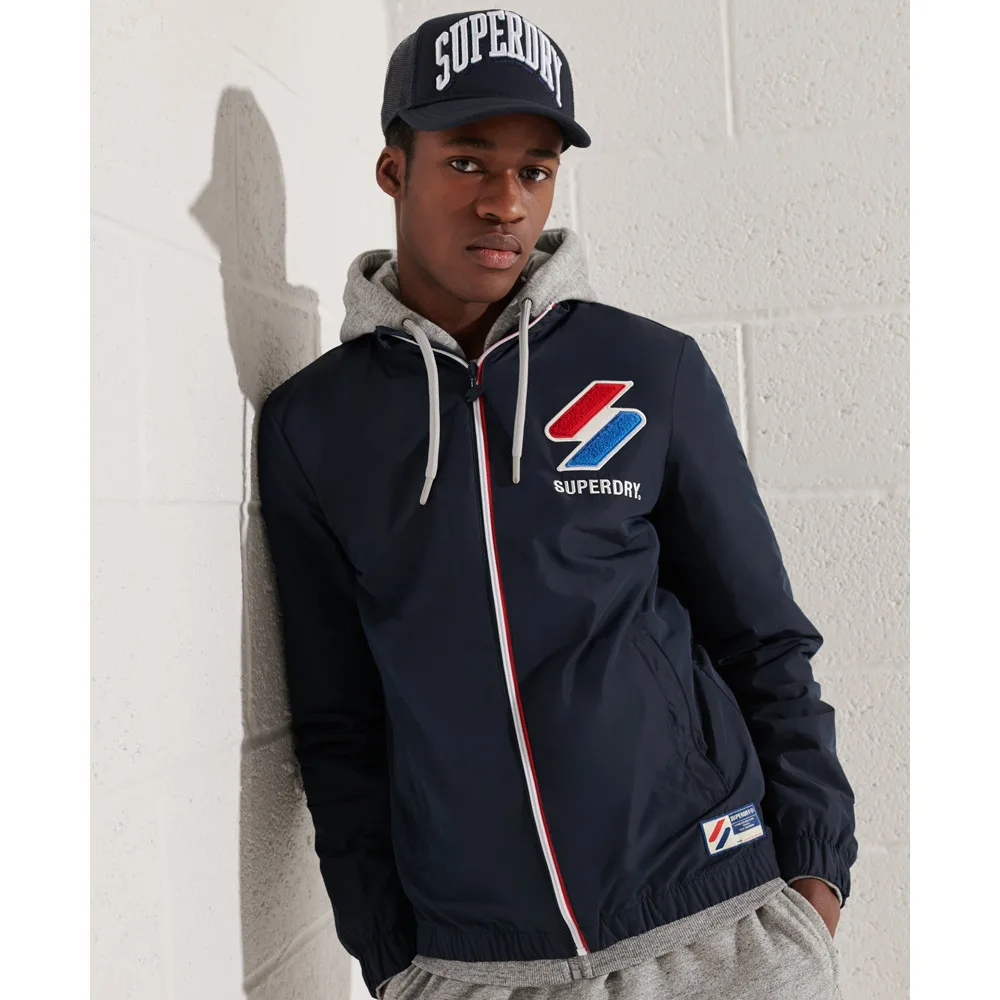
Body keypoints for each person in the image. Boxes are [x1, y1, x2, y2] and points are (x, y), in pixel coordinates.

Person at [257, 9, 857, 1000]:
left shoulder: (647, 370)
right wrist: (390, 960)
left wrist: (814, 881)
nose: (504, 202)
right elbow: (337, 720)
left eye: (533, 170)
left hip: (722, 929)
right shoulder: (315, 425)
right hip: (476, 966)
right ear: (393, 169)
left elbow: (762, 639)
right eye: (467, 162)